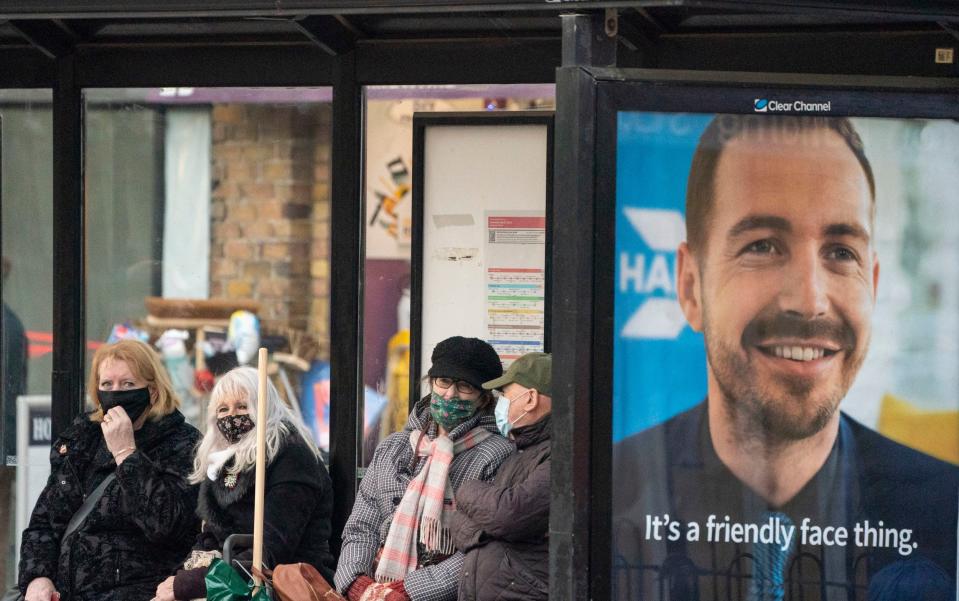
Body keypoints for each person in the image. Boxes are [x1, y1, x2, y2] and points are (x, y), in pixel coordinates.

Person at [612, 115, 959, 600]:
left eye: (841, 252)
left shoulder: (944, 506)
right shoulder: (609, 492)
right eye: (763, 245)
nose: (810, 299)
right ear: (691, 286)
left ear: (873, 287)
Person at [18, 339, 200, 601]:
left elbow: (167, 525)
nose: (116, 393)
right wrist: (37, 577)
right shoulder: (83, 439)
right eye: (107, 385)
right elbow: (45, 522)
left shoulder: (182, 443)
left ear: (153, 391)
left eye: (128, 384)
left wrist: (126, 453)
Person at [334, 336, 514, 601]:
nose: (450, 394)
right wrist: (357, 584)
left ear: (484, 398)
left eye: (465, 387)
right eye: (444, 382)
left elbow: (482, 548)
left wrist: (409, 591)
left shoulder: (497, 455)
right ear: (431, 383)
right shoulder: (394, 447)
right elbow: (361, 527)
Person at [153, 366, 335, 601]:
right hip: (234, 580)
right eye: (223, 409)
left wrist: (192, 583)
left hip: (282, 585)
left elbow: (270, 549)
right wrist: (181, 578)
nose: (232, 416)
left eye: (242, 406)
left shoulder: (292, 455)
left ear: (263, 408)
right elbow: (210, 538)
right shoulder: (223, 462)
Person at [450, 351, 552, 601]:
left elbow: (509, 514)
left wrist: (465, 490)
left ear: (530, 399)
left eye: (505, 394)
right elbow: (459, 525)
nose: (500, 402)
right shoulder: (520, 451)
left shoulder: (559, 455)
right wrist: (493, 527)